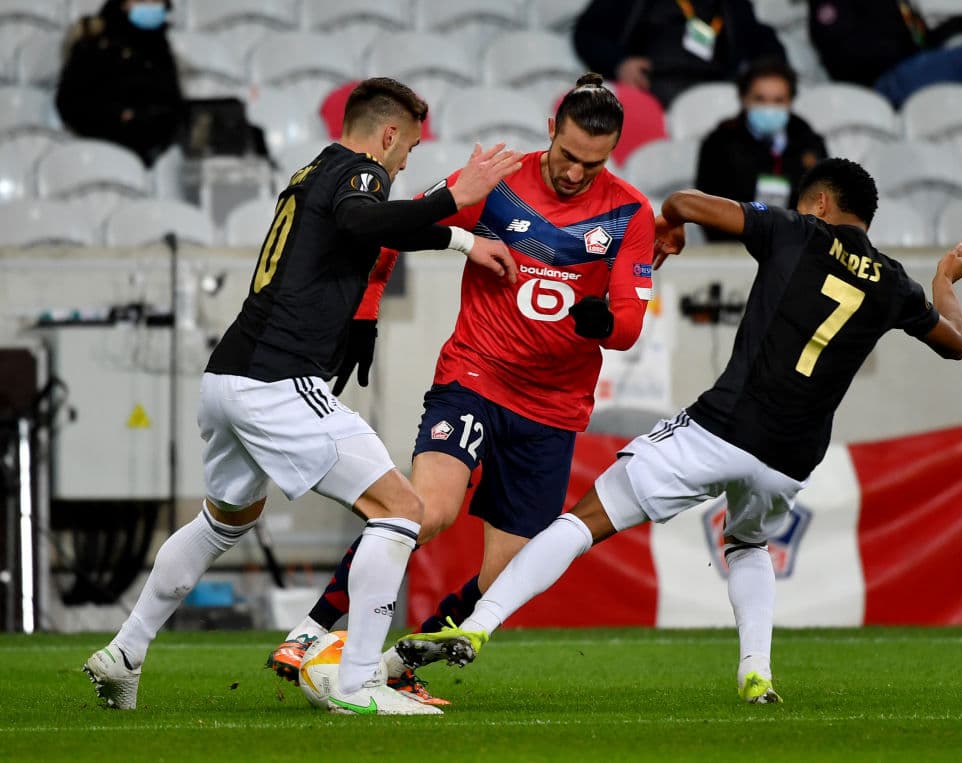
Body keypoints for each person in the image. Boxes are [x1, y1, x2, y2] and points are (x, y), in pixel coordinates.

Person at [397, 158, 962, 705]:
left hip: (724, 427)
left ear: (819, 203)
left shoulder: (796, 231)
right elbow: (956, 342)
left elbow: (685, 201)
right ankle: (756, 673)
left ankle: (477, 626)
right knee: (748, 545)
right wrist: (945, 278)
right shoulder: (895, 284)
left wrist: (669, 226)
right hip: (792, 458)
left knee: (582, 520)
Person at [82, 77, 524, 717]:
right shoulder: (363, 174)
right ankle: (357, 683)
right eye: (408, 148)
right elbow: (366, 219)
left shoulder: (315, 169)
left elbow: (369, 229)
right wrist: (456, 200)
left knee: (222, 521)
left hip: (228, 376)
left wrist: (461, 240)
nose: (405, 163)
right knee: (401, 510)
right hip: (278, 382)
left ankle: (125, 652)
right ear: (389, 135)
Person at [266, 73, 657, 705]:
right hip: (474, 377)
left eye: (593, 164)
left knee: (504, 581)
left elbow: (631, 323)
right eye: (567, 156)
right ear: (550, 130)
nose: (574, 174)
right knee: (425, 511)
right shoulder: (497, 182)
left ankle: (395, 664)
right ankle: (311, 630)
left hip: (553, 410)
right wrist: (365, 314)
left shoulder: (630, 211)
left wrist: (604, 325)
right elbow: (395, 228)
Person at [696, 57, 827, 242]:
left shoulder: (810, 142)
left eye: (778, 100)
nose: (769, 108)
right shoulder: (718, 144)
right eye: (760, 99)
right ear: (743, 98)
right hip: (735, 244)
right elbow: (708, 207)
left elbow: (824, 202)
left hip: (798, 245)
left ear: (790, 101)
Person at [809, 0, 962, 109]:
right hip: (884, 82)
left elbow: (920, 41)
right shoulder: (828, 3)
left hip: (912, 70)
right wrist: (899, 52)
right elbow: (842, 60)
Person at [573, 0, 786, 108]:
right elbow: (587, 33)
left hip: (716, 93)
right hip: (649, 87)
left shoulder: (732, 4)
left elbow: (764, 42)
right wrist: (620, 63)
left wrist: (760, 78)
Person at [56, 0, 185, 167]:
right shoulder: (96, 41)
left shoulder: (160, 45)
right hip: (98, 155)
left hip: (153, 156)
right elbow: (71, 102)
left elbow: (172, 102)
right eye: (142, 0)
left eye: (156, 1)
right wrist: (121, 118)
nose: (151, 6)